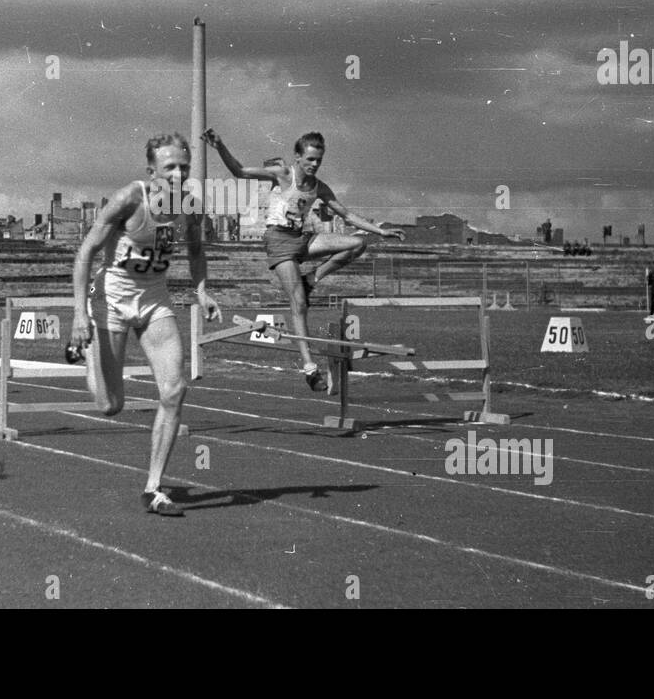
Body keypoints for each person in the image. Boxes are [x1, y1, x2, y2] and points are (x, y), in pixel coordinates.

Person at [70, 133, 221, 517]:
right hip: (111, 302)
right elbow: (86, 250)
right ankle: (89, 350)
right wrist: (79, 315)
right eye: (170, 167)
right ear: (151, 170)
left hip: (155, 301)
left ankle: (154, 488)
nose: (179, 173)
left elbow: (197, 251)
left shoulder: (189, 205)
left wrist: (202, 292)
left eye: (184, 166)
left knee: (174, 390)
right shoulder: (129, 199)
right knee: (110, 406)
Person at [202, 128, 405, 391]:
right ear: (297, 157)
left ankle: (312, 278)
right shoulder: (283, 174)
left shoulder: (319, 187)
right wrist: (219, 146)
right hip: (279, 242)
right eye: (310, 159)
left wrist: (381, 230)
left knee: (357, 244)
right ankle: (310, 368)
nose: (314, 165)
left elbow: (346, 215)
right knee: (298, 303)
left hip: (302, 238)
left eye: (319, 160)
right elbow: (240, 172)